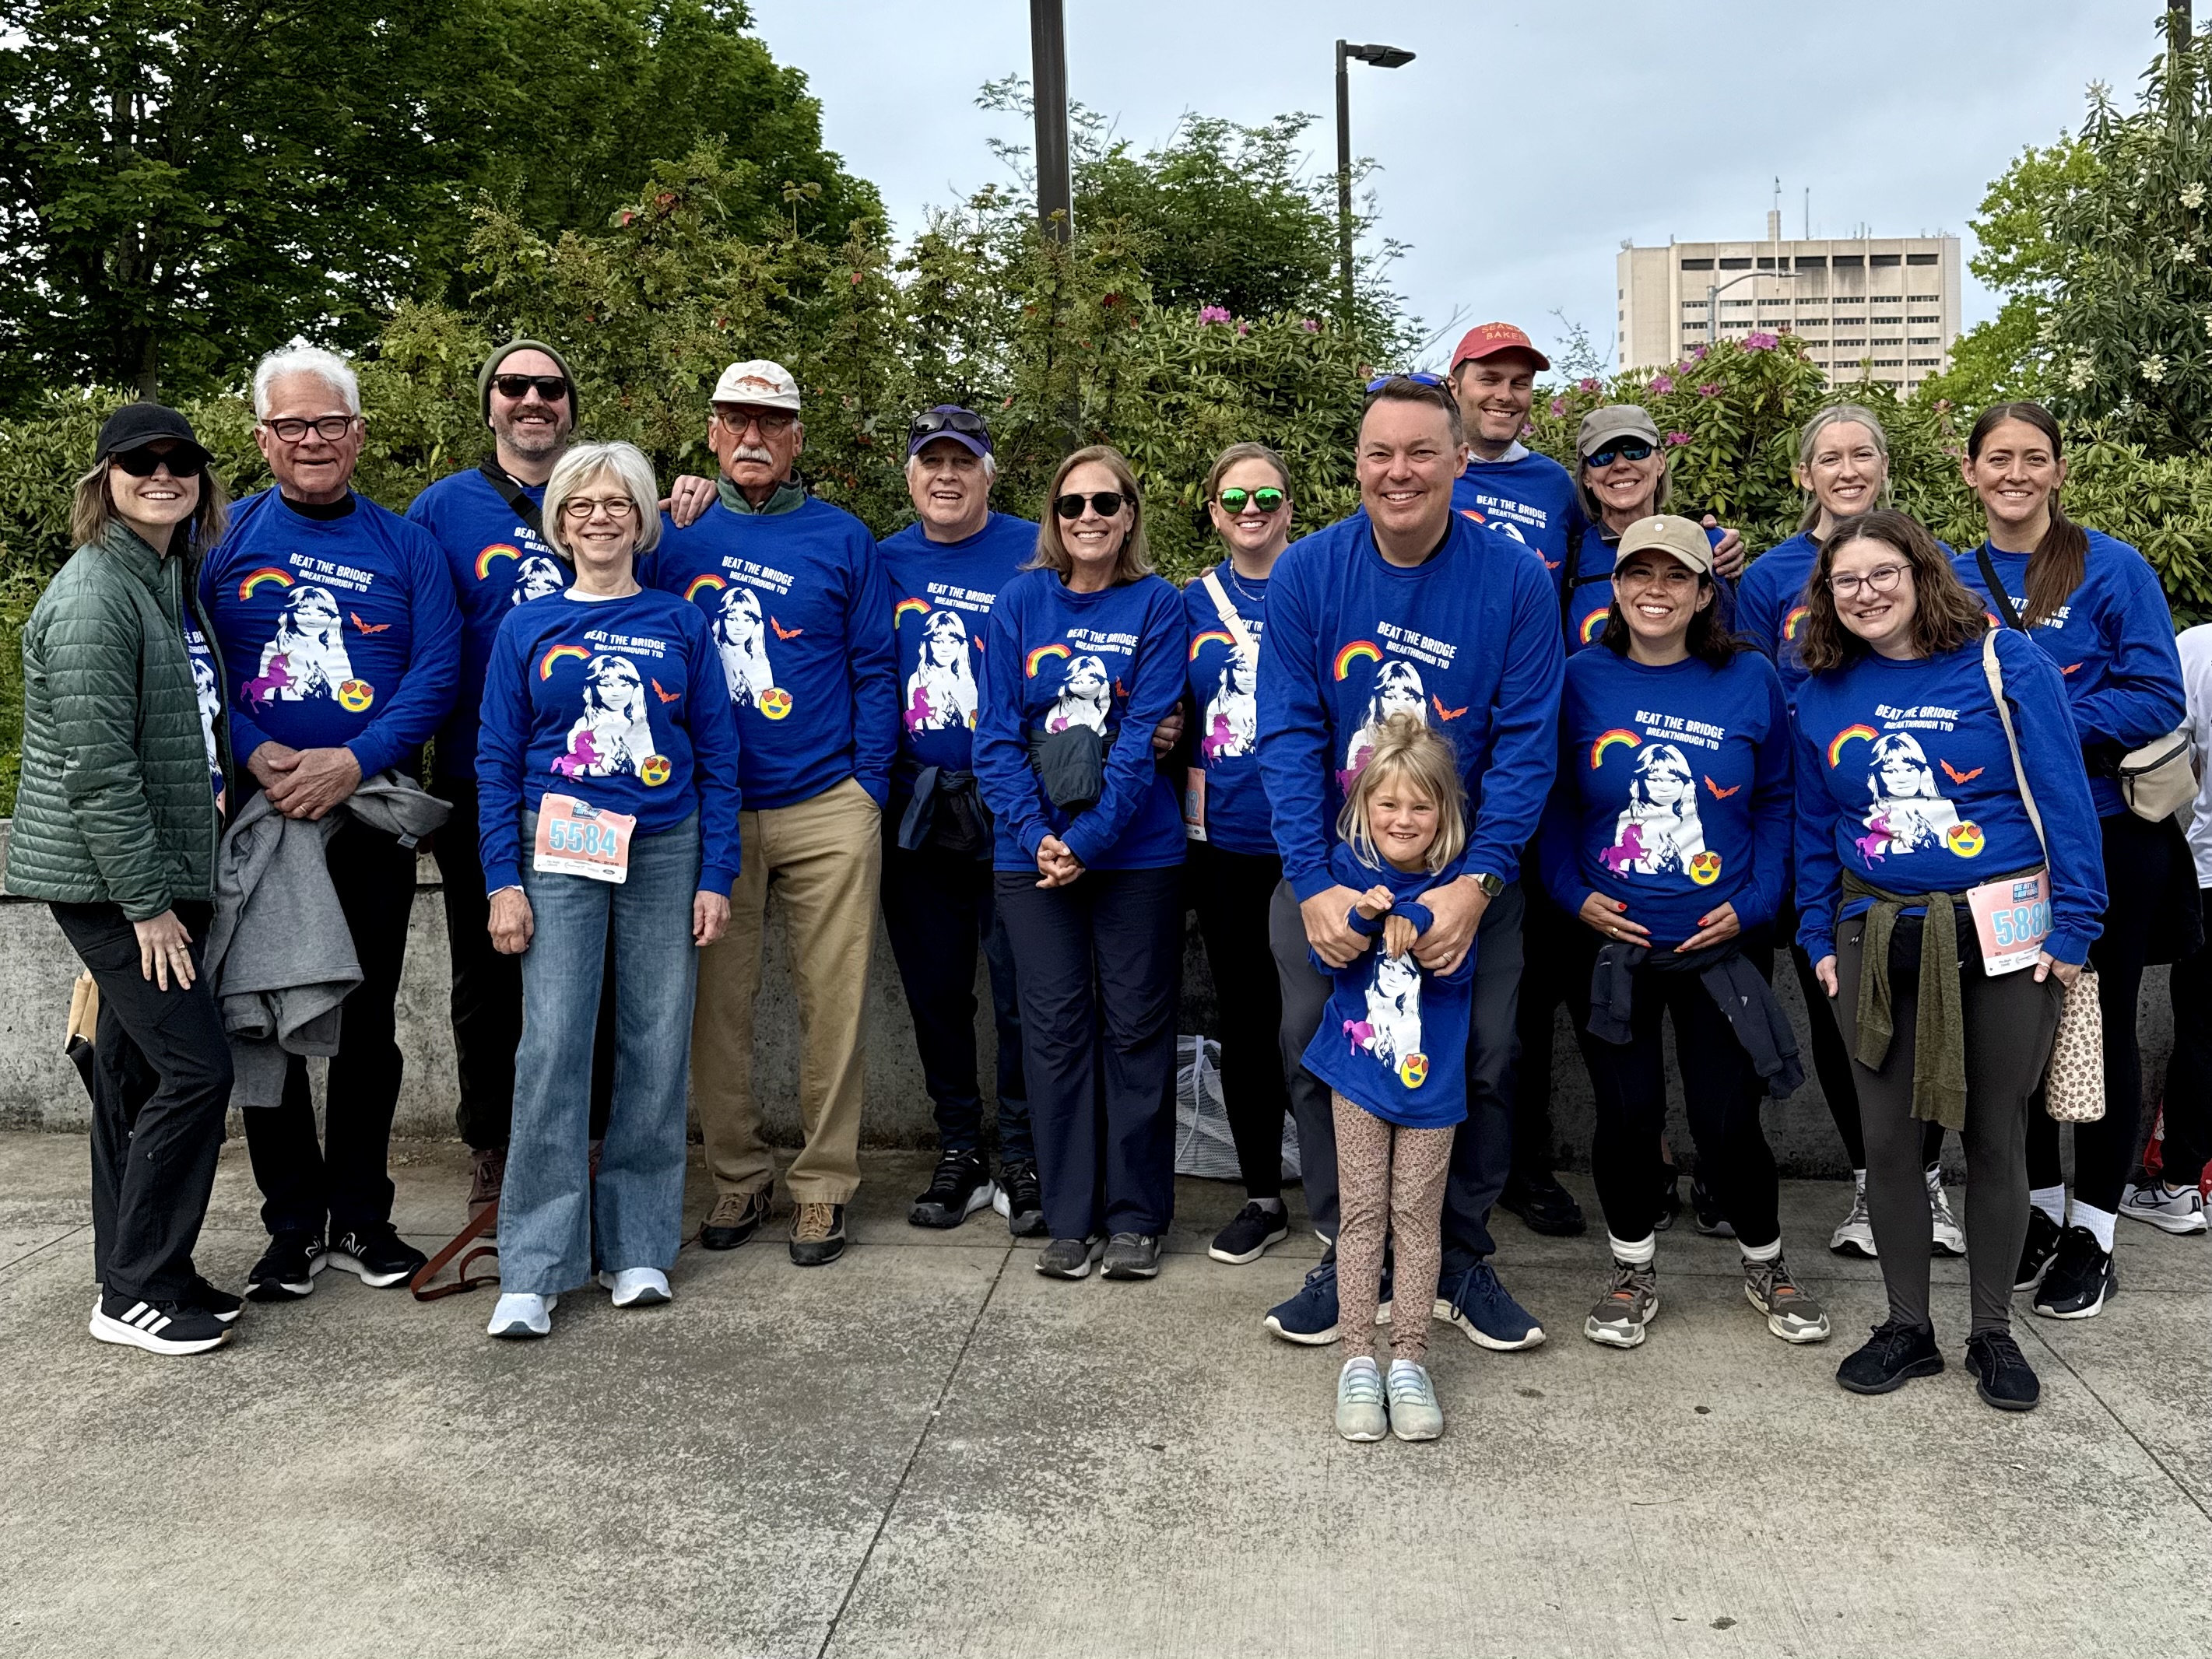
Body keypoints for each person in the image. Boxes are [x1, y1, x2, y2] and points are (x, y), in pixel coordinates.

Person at [1258, 374, 1561, 1352]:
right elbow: (1288, 731)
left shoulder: (1512, 578)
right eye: (1380, 453)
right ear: (1356, 465)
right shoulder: (1308, 572)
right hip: (1337, 865)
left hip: (1471, 874)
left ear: (1457, 460)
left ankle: (1457, 1255)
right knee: (1314, 1042)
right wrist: (1311, 881)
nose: (1400, 472)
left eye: (1421, 452)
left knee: (1485, 1054)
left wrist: (1478, 884)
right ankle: (1348, 1249)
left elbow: (1525, 744)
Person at [1796, 509, 2105, 1412]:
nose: (1865, 593)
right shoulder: (1821, 688)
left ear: (1920, 570)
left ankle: (1992, 1334)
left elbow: (2063, 794)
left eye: (1882, 572)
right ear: (1827, 595)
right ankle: (1906, 1327)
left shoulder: (2003, 660)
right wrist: (1817, 937)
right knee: (1890, 1143)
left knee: (1996, 1136)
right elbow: (1816, 829)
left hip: (2004, 934)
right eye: (1845, 581)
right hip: (1874, 931)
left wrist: (2074, 929)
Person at [199, 345, 462, 1301]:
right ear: (262, 438)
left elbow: (437, 670)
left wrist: (354, 757)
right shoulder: (216, 540)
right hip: (264, 820)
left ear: (358, 433)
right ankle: (289, 1225)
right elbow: (198, 663)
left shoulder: (407, 545)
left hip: (368, 817)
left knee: (367, 1022)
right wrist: (256, 744)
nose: (312, 441)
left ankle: (363, 1215)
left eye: (328, 424)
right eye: (292, 425)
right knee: (267, 1017)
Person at [1539, 514, 1828, 1349]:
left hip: (1720, 945)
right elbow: (1550, 800)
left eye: (1675, 576)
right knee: (1627, 1116)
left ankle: (1765, 1260)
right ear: (1616, 585)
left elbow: (1779, 797)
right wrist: (1571, 892)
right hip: (1611, 948)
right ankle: (1631, 1268)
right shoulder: (1578, 677)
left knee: (1726, 1119)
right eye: (1639, 573)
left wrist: (1758, 896)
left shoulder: (1748, 678)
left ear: (1706, 591)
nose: (1654, 590)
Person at [472, 442, 739, 1338]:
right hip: (558, 844)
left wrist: (716, 873)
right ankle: (536, 1264)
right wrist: (502, 880)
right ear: (559, 522)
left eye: (616, 503)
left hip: (667, 844)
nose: (598, 517)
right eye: (580, 504)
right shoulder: (528, 627)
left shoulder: (680, 621)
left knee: (656, 1043)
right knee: (551, 1045)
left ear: (640, 519)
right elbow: (495, 759)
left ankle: (638, 1248)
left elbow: (720, 755)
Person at [645, 360, 897, 1267]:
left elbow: (876, 665)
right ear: (711, 431)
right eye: (735, 419)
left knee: (834, 1002)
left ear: (796, 438)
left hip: (829, 801)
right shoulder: (670, 532)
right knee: (717, 1004)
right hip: (710, 812)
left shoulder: (842, 535)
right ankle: (739, 1175)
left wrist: (868, 780)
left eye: (771, 421)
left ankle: (824, 1186)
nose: (752, 436)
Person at [1950, 402, 2194, 1318]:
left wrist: (2041, 722)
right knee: (2016, 1033)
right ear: (1970, 471)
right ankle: (2042, 1215)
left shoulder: (2112, 567)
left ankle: (2094, 1230)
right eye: (1998, 458)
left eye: (2033, 458)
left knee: (2105, 1031)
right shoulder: (1944, 568)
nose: (2015, 473)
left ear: (2057, 470)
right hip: (1996, 844)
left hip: (2105, 835)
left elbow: (2156, 696)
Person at [6, 405, 238, 1355]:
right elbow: (97, 771)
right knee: (197, 1069)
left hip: (153, 871)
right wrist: (147, 905)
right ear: (103, 479)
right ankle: (133, 1287)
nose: (161, 473)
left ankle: (147, 1271)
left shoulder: (162, 577)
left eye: (179, 460)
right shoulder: (96, 594)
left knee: (133, 1075)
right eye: (138, 462)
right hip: (114, 887)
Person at [1501, 401, 1750, 1241]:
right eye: (1602, 453)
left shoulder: (1709, 552)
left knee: (1702, 1042)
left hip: (1690, 854)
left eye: (1634, 448)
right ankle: (1541, 1169)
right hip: (1568, 828)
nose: (1619, 464)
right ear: (1582, 471)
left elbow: (1741, 696)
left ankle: (1704, 1168)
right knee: (1554, 1016)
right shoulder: (1565, 557)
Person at [1734, 404, 1960, 1258]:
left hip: (1917, 827)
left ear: (1884, 464)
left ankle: (1927, 1181)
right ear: (1804, 474)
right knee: (1844, 1007)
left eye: (1861, 452)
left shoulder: (1921, 557)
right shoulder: (1768, 576)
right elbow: (1749, 691)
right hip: (1815, 820)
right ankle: (1871, 1183)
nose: (1846, 468)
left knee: (1932, 1005)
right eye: (1827, 457)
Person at [974, 445, 1188, 1282]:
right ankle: (1070, 1216)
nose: (1089, 518)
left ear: (1129, 514)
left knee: (1136, 1031)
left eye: (1106, 503)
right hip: (1029, 857)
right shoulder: (1019, 602)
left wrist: (1088, 840)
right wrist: (1038, 839)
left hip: (1135, 854)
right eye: (1072, 505)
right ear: (1052, 520)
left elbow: (1144, 741)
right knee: (1053, 1034)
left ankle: (1135, 1215)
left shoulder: (1157, 605)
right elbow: (994, 735)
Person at [876, 406, 1043, 1236]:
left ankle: (1022, 1148)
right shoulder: (881, 559)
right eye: (930, 460)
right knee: (936, 990)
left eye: (962, 461)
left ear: (987, 473)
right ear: (909, 476)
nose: (946, 475)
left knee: (1020, 988)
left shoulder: (1034, 548)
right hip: (915, 809)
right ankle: (958, 1148)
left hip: (1014, 804)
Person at [1297, 714, 1473, 1443]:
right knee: (1362, 1213)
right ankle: (1356, 1361)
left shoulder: (1464, 887)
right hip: (1360, 1076)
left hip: (1431, 1086)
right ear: (1365, 806)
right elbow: (1324, 962)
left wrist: (1418, 912)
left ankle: (1410, 1358)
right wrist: (1366, 918)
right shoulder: (1341, 873)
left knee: (1417, 1220)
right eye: (1389, 804)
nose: (1404, 820)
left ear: (1445, 813)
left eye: (1421, 806)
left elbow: (1452, 948)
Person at [1183, 443, 1300, 1264]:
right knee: (1247, 1020)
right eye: (1235, 496)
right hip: (1222, 841)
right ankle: (1263, 1193)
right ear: (1215, 512)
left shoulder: (1324, 582)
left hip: (1318, 842)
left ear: (1289, 505)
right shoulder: (1186, 601)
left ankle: (1344, 1194)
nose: (1251, 507)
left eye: (1266, 493)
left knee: (1330, 1020)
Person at [2122, 620, 2212, 1232]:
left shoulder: (2199, 648)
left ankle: (2182, 1184)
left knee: (2206, 1035)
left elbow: (2155, 753)